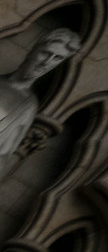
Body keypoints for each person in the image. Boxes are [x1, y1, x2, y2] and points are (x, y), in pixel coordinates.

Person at [0, 30, 80, 178]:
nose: (46, 63)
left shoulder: (29, 106)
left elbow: (2, 157)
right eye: (46, 53)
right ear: (33, 51)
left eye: (57, 58)